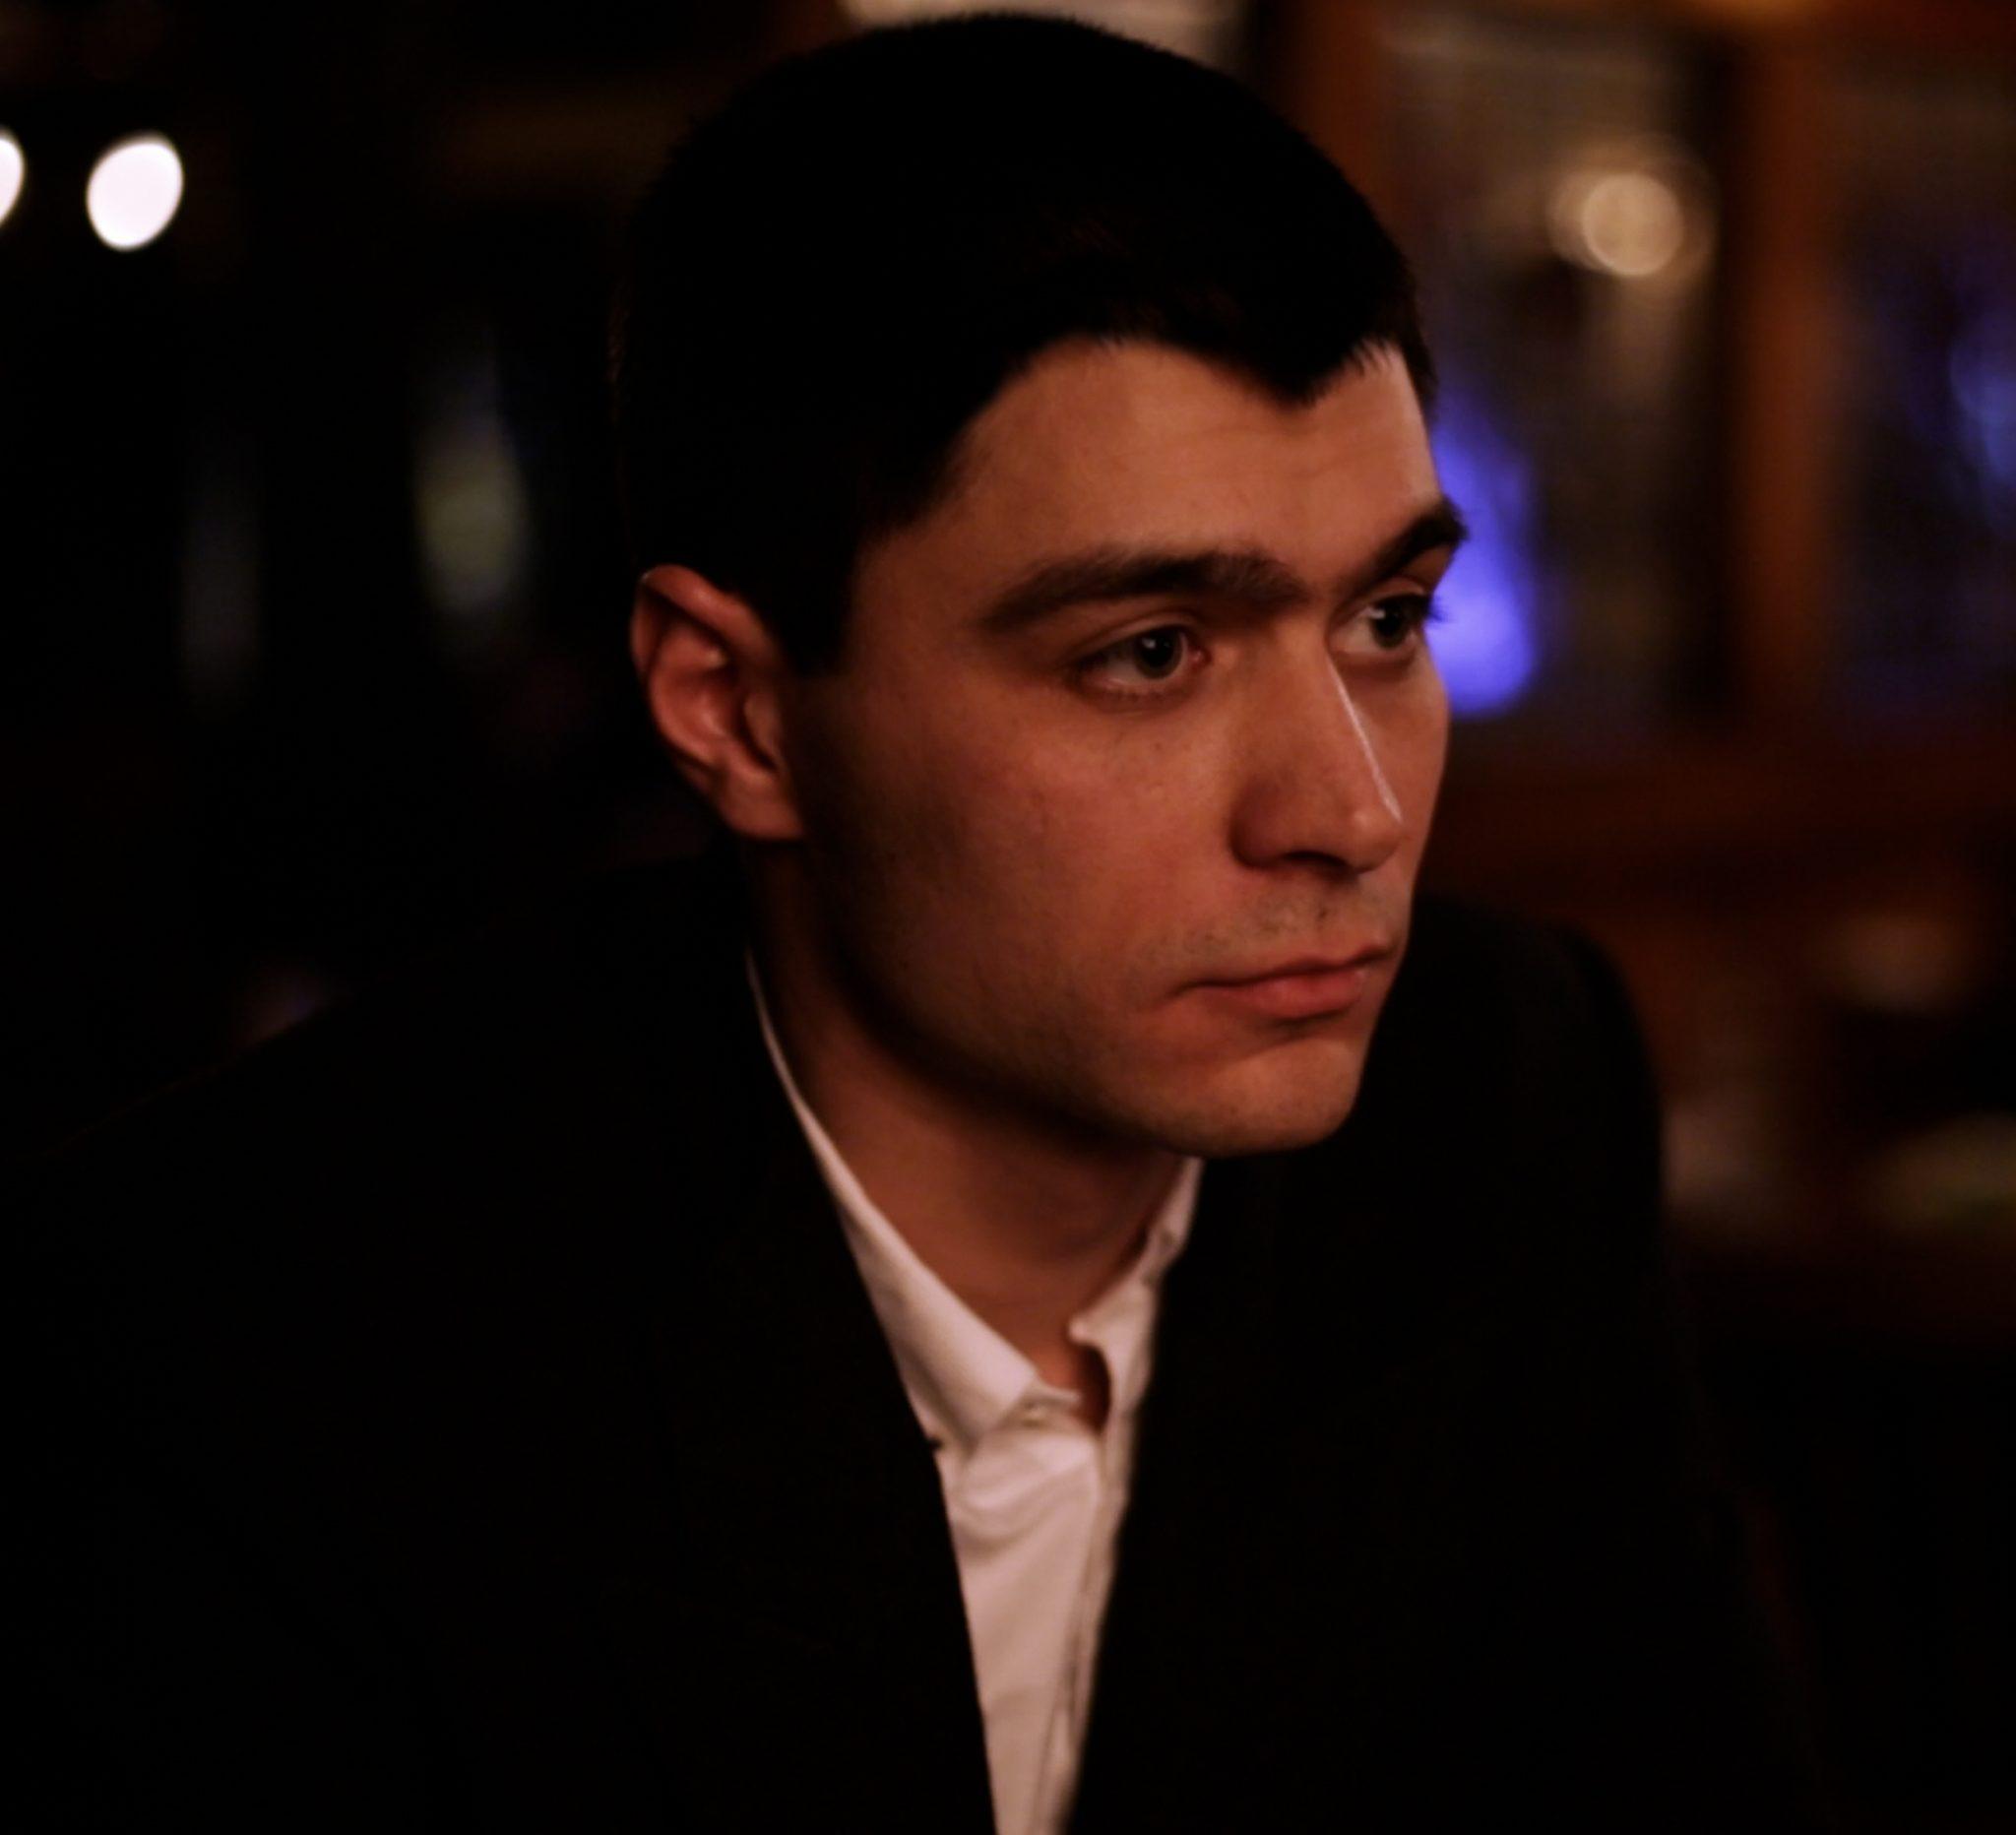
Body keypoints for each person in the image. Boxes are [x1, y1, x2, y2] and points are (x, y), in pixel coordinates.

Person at [19, 13, 1825, 1831]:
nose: (1352, 815)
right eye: (1151, 653)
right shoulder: (250, 1333)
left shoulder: (1503, 1087)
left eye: (1386, 621)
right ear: (737, 712)